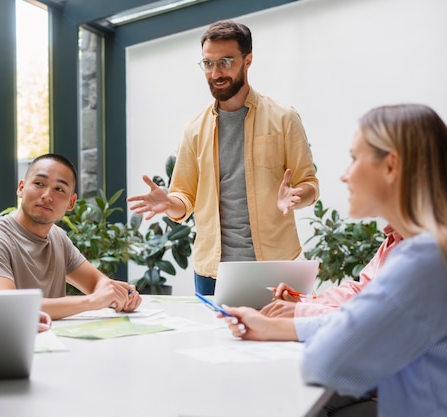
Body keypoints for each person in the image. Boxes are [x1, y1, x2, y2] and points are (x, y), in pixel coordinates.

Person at [220, 104, 447, 417]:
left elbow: (326, 362)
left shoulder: (425, 260)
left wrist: (288, 320)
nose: (344, 175)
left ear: (391, 166)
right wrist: (274, 326)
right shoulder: (422, 247)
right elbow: (362, 311)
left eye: (354, 159)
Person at [127, 20, 319, 295]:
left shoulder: (283, 118)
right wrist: (169, 202)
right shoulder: (194, 129)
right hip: (212, 272)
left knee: (281, 337)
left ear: (248, 60)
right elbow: (184, 199)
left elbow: (310, 183)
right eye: (208, 63)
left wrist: (297, 194)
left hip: (274, 266)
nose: (215, 72)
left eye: (225, 62)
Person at [0, 153, 142, 320]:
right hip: (0, 349)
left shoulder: (57, 237)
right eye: (39, 184)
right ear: (21, 188)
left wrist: (118, 294)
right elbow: (7, 307)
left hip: (51, 345)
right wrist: (93, 302)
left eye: (59, 189)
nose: (47, 196)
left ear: (71, 203)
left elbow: (97, 282)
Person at [261, 224, 403, 318]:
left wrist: (302, 312)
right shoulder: (394, 237)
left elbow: (378, 316)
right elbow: (360, 292)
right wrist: (302, 303)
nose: (345, 178)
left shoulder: (418, 245)